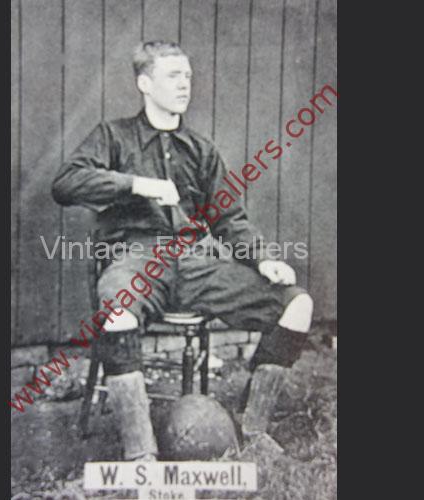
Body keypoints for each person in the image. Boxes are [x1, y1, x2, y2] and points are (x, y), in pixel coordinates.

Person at [52, 41, 314, 461]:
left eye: (188, 76)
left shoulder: (200, 149)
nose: (184, 85)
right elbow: (66, 183)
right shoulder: (112, 136)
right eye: (173, 76)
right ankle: (141, 454)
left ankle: (252, 429)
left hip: (195, 263)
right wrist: (138, 184)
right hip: (135, 260)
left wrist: (263, 258)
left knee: (297, 305)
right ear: (144, 83)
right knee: (117, 311)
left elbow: (229, 219)